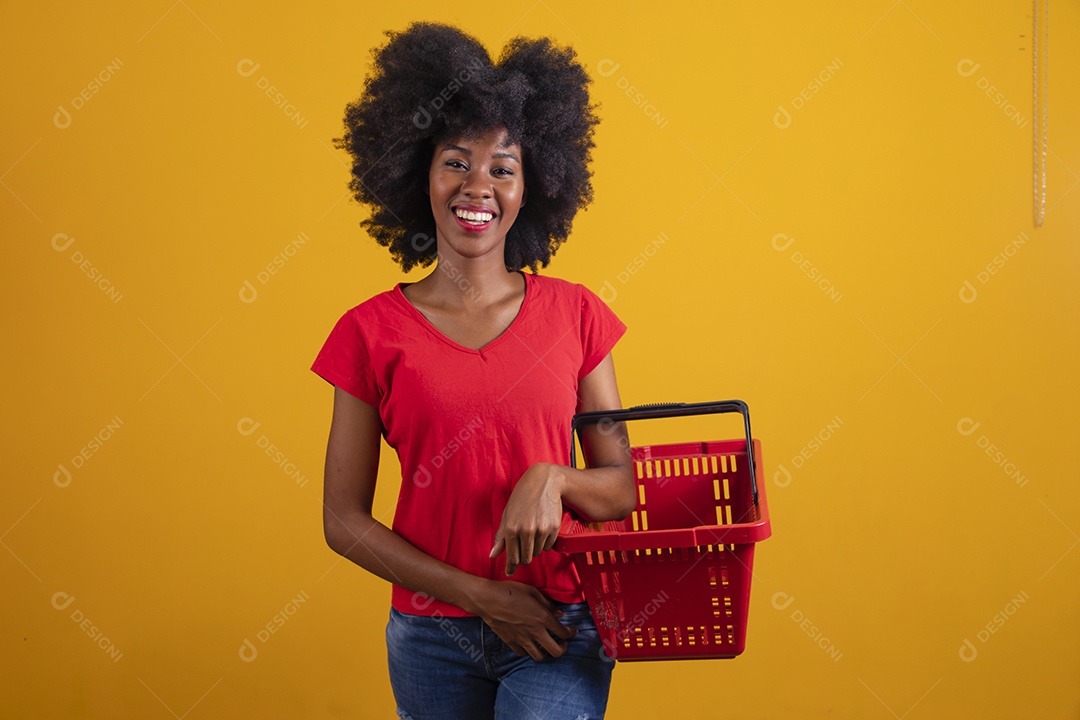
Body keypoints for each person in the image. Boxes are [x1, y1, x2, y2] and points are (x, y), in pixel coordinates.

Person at [311, 21, 635, 719]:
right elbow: (343, 520)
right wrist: (478, 595)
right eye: (456, 161)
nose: (477, 186)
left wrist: (552, 477)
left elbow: (619, 490)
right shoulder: (368, 333)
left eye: (502, 168)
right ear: (418, 173)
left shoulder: (578, 315)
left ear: (533, 185)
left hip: (558, 625)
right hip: (431, 636)